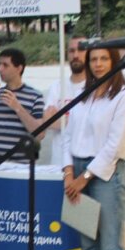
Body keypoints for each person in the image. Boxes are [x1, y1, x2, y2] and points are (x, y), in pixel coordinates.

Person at [60, 46, 125, 250]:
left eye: (104, 58)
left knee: (109, 247)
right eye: (94, 59)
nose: (99, 64)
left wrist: (84, 178)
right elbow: (68, 136)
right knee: (87, 246)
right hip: (78, 171)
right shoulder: (84, 94)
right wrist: (69, 173)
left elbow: (115, 145)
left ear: (114, 61)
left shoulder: (122, 97)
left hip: (105, 175)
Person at [43, 37, 87, 166]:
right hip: (58, 162)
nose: (76, 55)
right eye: (71, 51)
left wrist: (61, 117)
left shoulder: (96, 87)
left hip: (84, 164)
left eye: (81, 50)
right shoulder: (57, 87)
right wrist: (79, 118)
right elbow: (47, 121)